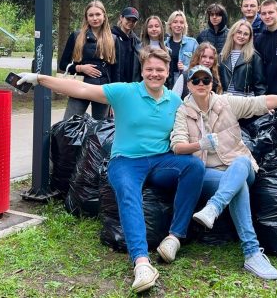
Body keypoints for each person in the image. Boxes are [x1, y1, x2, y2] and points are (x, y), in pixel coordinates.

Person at [17, 47, 205, 294]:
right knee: (128, 193)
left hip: (160, 161)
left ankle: (174, 238)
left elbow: (202, 113)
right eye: (150, 69)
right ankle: (142, 263)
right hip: (125, 161)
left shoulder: (175, 101)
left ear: (168, 71)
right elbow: (82, 89)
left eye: (160, 70)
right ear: (143, 70)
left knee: (194, 167)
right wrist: (40, 79)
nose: (155, 74)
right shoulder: (125, 92)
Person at [170, 65, 277, 280]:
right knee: (238, 185)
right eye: (195, 80)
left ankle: (214, 207)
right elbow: (177, 146)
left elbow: (264, 102)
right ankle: (252, 253)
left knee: (242, 162)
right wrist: (200, 144)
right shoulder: (182, 111)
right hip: (208, 174)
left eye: (205, 80)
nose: (200, 84)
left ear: (212, 84)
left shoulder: (226, 102)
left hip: (239, 166)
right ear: (188, 84)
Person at [58, 0, 118, 120]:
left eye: (98, 14)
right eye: (91, 15)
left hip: (103, 90)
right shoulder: (76, 36)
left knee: (100, 130)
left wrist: (114, 101)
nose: (95, 18)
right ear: (86, 17)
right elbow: (63, 64)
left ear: (104, 16)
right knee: (69, 124)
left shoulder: (113, 39)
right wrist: (80, 68)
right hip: (79, 86)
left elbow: (116, 72)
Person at [219, 20, 266, 97]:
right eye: (239, 32)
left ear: (249, 37)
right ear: (233, 33)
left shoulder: (254, 56)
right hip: (225, 100)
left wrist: (263, 102)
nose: (241, 36)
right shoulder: (222, 55)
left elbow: (259, 84)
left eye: (246, 34)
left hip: (246, 99)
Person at [165, 10, 199, 88]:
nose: (178, 25)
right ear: (170, 24)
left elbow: (199, 65)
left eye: (181, 22)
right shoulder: (164, 44)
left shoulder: (192, 43)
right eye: (175, 22)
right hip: (167, 81)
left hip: (186, 81)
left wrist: (185, 68)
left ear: (184, 25)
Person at [112, 6, 142, 83]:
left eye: (134, 21)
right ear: (121, 18)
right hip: (113, 81)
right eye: (128, 19)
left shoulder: (136, 41)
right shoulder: (111, 37)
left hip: (130, 83)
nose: (131, 22)